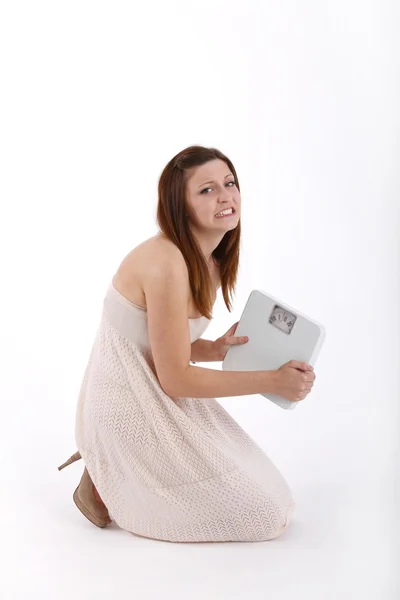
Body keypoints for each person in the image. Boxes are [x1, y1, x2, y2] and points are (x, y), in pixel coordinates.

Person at [58, 145, 316, 542]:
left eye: (229, 183)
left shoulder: (207, 261)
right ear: (180, 206)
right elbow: (175, 379)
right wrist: (272, 381)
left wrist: (213, 349)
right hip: (129, 404)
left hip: (155, 390)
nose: (225, 195)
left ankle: (113, 469)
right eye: (207, 190)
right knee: (263, 515)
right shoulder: (166, 265)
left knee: (277, 499)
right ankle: (104, 473)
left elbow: (156, 339)